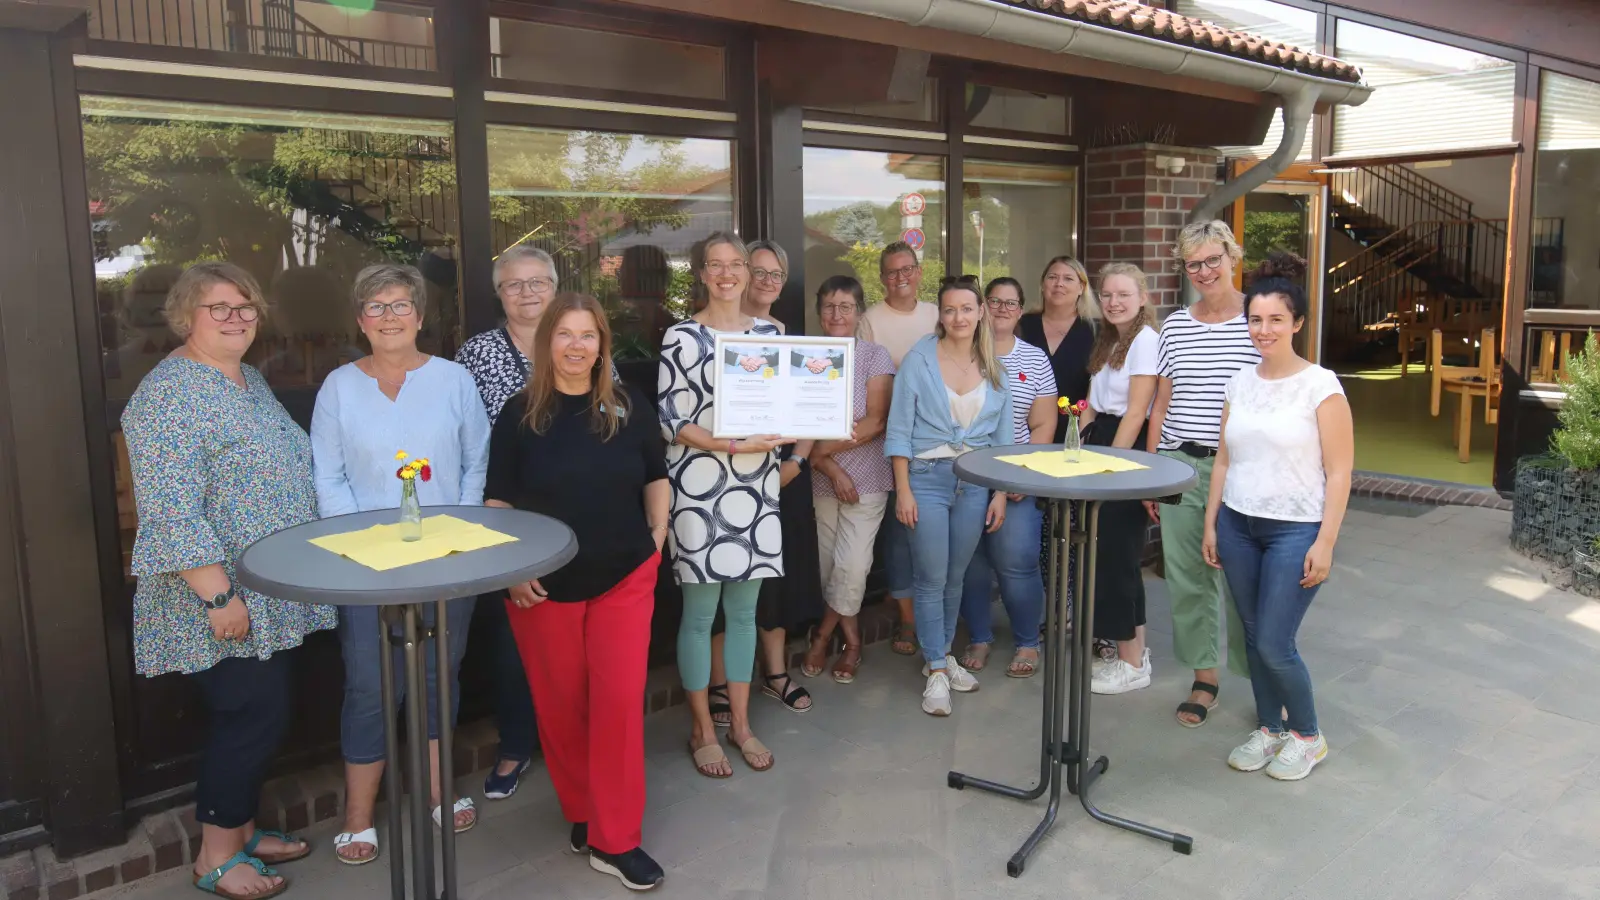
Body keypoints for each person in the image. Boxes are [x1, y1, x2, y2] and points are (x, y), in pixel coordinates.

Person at [121, 262, 332, 900]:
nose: (237, 317)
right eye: (220, 308)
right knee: (248, 715)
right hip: (214, 594)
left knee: (260, 713)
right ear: (187, 315)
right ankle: (215, 855)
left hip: (265, 590)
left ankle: (240, 832)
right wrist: (218, 595)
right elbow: (171, 510)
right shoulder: (168, 396)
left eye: (246, 307)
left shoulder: (248, 379)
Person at [487, 292, 670, 890]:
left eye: (587, 335)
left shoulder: (626, 405)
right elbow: (499, 503)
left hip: (624, 576)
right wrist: (513, 570)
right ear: (547, 344)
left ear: (601, 344)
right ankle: (585, 813)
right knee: (563, 709)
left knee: (617, 705)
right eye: (563, 334)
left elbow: (655, 475)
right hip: (542, 587)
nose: (575, 345)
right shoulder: (518, 415)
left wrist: (658, 535)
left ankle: (616, 840)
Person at [312, 264, 490, 863]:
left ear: (419, 315)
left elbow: (475, 464)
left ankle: (439, 791)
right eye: (375, 306)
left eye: (399, 305)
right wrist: (363, 545)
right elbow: (328, 475)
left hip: (448, 555)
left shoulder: (454, 380)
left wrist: (459, 536)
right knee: (369, 683)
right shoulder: (338, 386)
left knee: (441, 673)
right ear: (360, 320)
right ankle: (359, 815)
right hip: (364, 562)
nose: (389, 316)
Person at [1203, 253, 1353, 781]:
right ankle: (1270, 728)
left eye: (1275, 320)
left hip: (1296, 530)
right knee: (1250, 634)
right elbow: (1224, 457)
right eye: (1255, 319)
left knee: (1273, 641)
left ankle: (1308, 736)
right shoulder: (1240, 383)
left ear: (1297, 323)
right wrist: (1211, 523)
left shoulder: (1321, 386)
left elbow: (1339, 472)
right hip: (1238, 525)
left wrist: (1326, 542)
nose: (1263, 330)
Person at [659, 231, 791, 777]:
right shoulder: (680, 337)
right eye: (716, 265)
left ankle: (738, 723)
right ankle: (699, 727)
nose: (728, 274)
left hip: (757, 488)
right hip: (698, 487)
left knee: (743, 616)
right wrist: (732, 444)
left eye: (736, 264)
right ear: (701, 273)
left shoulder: (772, 334)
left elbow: (789, 402)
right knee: (698, 618)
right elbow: (671, 420)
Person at [1147, 220, 1260, 728]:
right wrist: (1155, 471)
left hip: (1242, 469)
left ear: (1233, 256)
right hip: (1180, 465)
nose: (1205, 271)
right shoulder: (1175, 325)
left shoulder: (1259, 318)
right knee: (1187, 577)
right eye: (1194, 263)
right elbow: (1162, 401)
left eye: (1214, 259)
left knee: (1242, 578)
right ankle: (1205, 676)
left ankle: (1259, 674)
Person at [453, 245, 553, 802]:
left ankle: (570, 738)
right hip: (509, 513)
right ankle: (516, 743)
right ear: (499, 293)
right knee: (516, 637)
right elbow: (468, 439)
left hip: (581, 509)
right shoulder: (477, 354)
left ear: (554, 287)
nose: (527, 293)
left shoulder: (581, 336)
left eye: (538, 282)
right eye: (515, 285)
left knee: (577, 632)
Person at [886, 276, 1013, 717]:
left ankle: (940, 657)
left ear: (981, 312)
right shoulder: (919, 360)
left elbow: (1002, 439)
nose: (958, 317)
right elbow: (899, 430)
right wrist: (903, 489)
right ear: (940, 315)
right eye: (949, 309)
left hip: (975, 482)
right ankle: (937, 667)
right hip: (926, 478)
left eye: (966, 308)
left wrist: (998, 493)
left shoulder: (993, 364)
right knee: (930, 576)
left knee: (955, 576)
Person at [708, 239, 822, 716]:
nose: (768, 282)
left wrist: (795, 463)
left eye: (777, 274)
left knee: (776, 579)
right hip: (720, 476)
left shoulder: (783, 336)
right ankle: (718, 684)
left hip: (781, 477)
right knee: (718, 582)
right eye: (759, 272)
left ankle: (775, 673)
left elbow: (809, 409)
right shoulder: (705, 333)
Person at [957, 277, 1055, 678]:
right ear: (982, 307)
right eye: (993, 301)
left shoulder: (1034, 359)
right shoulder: (960, 354)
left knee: (1017, 562)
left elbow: (1044, 423)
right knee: (971, 565)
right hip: (964, 475)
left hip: (1016, 479)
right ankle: (979, 636)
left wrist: (1018, 477)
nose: (1001, 309)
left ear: (1021, 310)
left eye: (1010, 303)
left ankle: (1027, 641)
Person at [800, 276, 896, 684]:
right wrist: (829, 466)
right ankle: (852, 637)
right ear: (819, 311)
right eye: (828, 306)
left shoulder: (875, 356)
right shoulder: (805, 356)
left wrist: (821, 453)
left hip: (868, 478)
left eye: (845, 306)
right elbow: (799, 420)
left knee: (853, 567)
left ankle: (823, 635)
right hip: (822, 480)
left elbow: (875, 420)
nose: (836, 314)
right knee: (827, 567)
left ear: (858, 312)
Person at [1081, 264, 1160, 695]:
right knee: (1116, 558)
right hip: (1102, 440)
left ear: (1142, 297)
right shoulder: (1111, 337)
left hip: (1123, 448)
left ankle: (1130, 663)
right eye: (1107, 294)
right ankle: (1136, 658)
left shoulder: (1145, 342)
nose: (1113, 302)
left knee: (1116, 559)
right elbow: (1093, 405)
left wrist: (1110, 469)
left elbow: (1136, 411)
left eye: (1123, 295)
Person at [860, 242, 939, 658]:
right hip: (889, 440)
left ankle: (936, 616)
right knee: (898, 534)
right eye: (891, 272)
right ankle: (909, 619)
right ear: (882, 278)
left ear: (919, 271)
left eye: (907, 269)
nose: (900, 277)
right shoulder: (870, 320)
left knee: (931, 530)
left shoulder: (936, 314)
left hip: (939, 441)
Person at [1018, 256, 1097, 443]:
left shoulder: (1096, 332)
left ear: (1081, 288)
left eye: (1068, 279)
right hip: (1025, 434)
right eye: (1052, 277)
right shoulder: (1022, 326)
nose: (1059, 284)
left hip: (1076, 434)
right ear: (1043, 285)